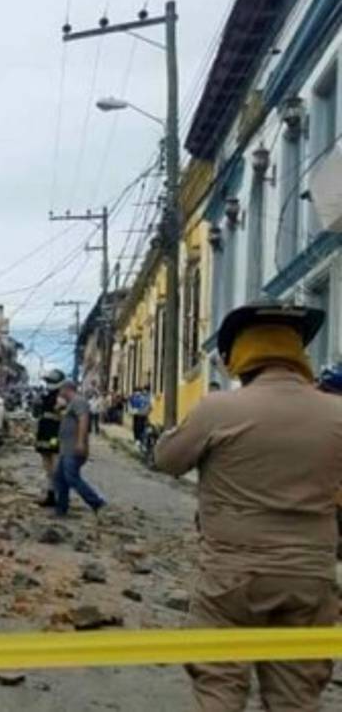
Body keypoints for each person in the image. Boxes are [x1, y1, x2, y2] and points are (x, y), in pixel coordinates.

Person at [154, 301, 342, 711]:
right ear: (298, 353)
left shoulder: (218, 409)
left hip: (231, 575)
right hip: (310, 576)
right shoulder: (337, 412)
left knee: (220, 685)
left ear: (239, 357)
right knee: (297, 695)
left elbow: (166, 460)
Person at [52, 379, 105, 517]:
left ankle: (96, 502)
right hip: (66, 448)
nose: (59, 392)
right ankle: (61, 509)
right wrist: (58, 409)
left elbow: (83, 420)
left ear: (66, 389)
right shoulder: (70, 404)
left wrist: (81, 442)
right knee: (60, 478)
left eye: (60, 389)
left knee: (71, 477)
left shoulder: (78, 401)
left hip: (73, 447)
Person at [31, 370, 65, 507]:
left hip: (54, 435)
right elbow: (36, 413)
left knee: (55, 462)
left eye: (51, 381)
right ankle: (51, 495)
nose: (49, 384)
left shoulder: (61, 398)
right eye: (48, 381)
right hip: (44, 433)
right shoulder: (45, 396)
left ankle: (59, 495)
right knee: (47, 465)